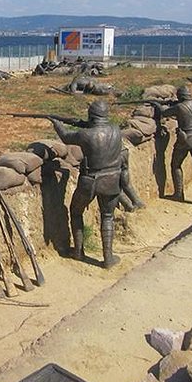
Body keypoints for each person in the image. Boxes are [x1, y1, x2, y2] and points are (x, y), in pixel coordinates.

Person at [48, 100, 122, 268]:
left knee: (76, 212)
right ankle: (108, 259)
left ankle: (79, 252)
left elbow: (66, 137)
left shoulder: (85, 134)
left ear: (91, 116)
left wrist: (56, 123)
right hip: (112, 179)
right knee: (108, 216)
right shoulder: (117, 130)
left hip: (91, 181)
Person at [157, 86, 192, 207]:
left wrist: (159, 105)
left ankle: (179, 194)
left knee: (176, 165)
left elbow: (164, 112)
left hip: (186, 140)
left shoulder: (179, 107)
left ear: (180, 97)